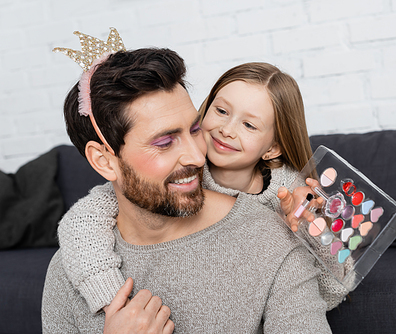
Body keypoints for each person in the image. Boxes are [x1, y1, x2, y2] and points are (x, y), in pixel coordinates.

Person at [42, 42, 332, 333]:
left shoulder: (272, 240)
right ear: (104, 162)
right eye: (165, 142)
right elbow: (81, 219)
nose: (197, 156)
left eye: (194, 130)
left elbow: (333, 276)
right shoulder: (71, 269)